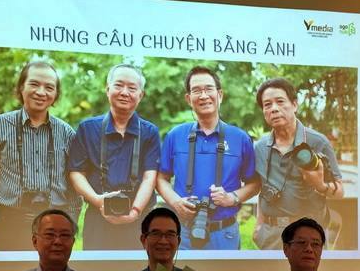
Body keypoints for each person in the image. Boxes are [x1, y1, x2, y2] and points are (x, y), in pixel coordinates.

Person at [0, 60, 81, 250]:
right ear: (21, 87)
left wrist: (71, 222)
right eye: (34, 84)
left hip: (56, 223)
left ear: (56, 94)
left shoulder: (67, 133)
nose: (41, 92)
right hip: (9, 222)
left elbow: (74, 183)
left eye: (49, 87)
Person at [157, 66, 258, 250]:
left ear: (220, 95)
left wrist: (232, 198)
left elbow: (254, 183)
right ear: (188, 99)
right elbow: (161, 178)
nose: (203, 96)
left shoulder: (240, 138)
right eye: (196, 90)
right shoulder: (175, 135)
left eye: (208, 89)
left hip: (224, 233)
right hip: (183, 232)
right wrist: (175, 202)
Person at [68, 63, 160, 250]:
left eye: (132, 88)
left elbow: (150, 177)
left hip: (139, 219)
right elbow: (76, 173)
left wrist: (135, 211)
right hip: (98, 218)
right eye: (118, 85)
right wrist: (98, 200)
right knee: (97, 269)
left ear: (140, 95)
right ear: (107, 89)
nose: (125, 92)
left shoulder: (150, 132)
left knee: (138, 269)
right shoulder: (87, 128)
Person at [252, 78, 344, 250]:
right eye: (267, 104)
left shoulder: (318, 142)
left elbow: (339, 192)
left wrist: (320, 185)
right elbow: (262, 190)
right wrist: (259, 227)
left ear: (294, 105)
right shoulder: (260, 148)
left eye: (280, 101)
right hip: (271, 236)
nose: (274, 109)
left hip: (308, 236)